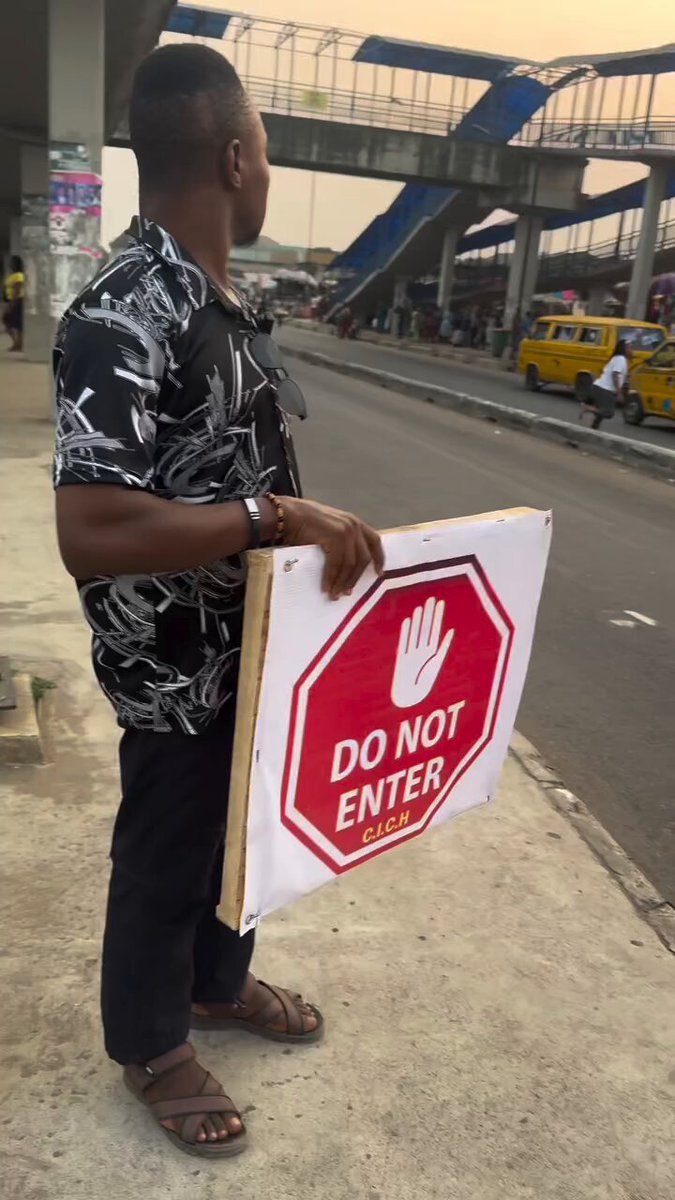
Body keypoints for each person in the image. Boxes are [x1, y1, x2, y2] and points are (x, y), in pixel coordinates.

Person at [52, 44, 383, 1161]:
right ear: (239, 157)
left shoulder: (219, 298)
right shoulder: (122, 307)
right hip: (173, 660)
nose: (270, 165)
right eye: (271, 148)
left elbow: (223, 463)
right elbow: (93, 529)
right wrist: (278, 522)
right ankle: (150, 1042)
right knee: (168, 848)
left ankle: (216, 986)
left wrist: (296, 520)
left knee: (246, 837)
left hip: (261, 645)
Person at [579, 338, 632, 430]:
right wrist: (619, 393)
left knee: (598, 416)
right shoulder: (621, 359)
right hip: (605, 390)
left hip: (597, 387)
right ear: (625, 349)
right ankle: (587, 408)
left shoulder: (615, 358)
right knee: (608, 412)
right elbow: (615, 374)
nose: (632, 350)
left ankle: (590, 431)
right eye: (630, 348)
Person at [3, 254, 25, 351]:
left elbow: (17, 290)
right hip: (12, 300)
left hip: (17, 300)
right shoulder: (13, 275)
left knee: (10, 321)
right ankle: (17, 343)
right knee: (12, 323)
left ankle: (18, 343)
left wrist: (12, 304)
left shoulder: (19, 276)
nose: (10, 264)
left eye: (12, 262)